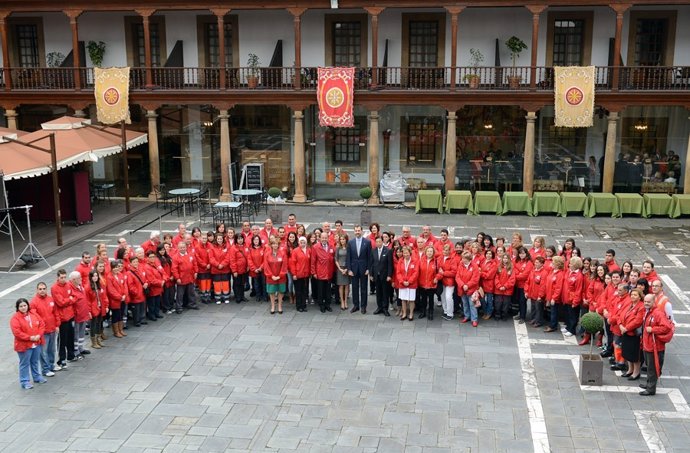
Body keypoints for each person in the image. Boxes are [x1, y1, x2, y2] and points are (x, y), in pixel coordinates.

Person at [640, 293, 675, 396]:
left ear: (653, 302)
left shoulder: (658, 313)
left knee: (652, 368)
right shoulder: (647, 312)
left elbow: (667, 327)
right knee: (649, 365)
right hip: (647, 344)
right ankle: (649, 384)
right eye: (645, 301)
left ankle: (651, 389)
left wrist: (653, 329)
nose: (646, 303)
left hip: (655, 346)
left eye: (648, 302)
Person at [10, 298, 47, 389]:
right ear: (17, 308)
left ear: (28, 306)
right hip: (24, 345)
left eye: (25, 305)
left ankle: (36, 377)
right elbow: (17, 332)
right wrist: (30, 337)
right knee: (24, 363)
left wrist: (39, 334)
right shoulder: (15, 318)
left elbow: (42, 324)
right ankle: (24, 381)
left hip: (36, 342)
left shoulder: (33, 314)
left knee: (34, 361)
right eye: (21, 306)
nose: (23, 308)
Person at [30, 282, 60, 376]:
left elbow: (55, 313)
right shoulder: (34, 302)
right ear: (37, 290)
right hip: (43, 332)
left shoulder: (50, 299)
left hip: (52, 329)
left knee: (52, 349)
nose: (42, 290)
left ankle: (51, 365)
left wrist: (57, 325)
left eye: (44, 288)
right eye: (40, 289)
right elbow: (34, 318)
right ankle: (45, 369)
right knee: (43, 351)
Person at [619, 288, 645, 380]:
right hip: (625, 332)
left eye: (635, 295)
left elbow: (637, 321)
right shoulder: (629, 304)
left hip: (634, 334)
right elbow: (620, 314)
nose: (633, 296)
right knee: (627, 353)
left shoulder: (641, 306)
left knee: (635, 354)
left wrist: (626, 328)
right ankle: (630, 370)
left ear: (639, 296)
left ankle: (636, 372)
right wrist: (620, 325)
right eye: (632, 294)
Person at [51, 269, 75, 367]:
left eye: (65, 277)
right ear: (58, 277)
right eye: (61, 277)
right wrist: (69, 300)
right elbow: (60, 303)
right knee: (62, 340)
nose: (63, 279)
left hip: (70, 315)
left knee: (71, 337)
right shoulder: (54, 288)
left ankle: (71, 355)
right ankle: (62, 359)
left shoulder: (69, 285)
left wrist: (68, 300)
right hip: (62, 318)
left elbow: (74, 297)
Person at [347, 225, 371, 314]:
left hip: (364, 269)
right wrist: (349, 269)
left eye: (359, 230)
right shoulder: (350, 242)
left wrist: (368, 268)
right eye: (356, 230)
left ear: (361, 231)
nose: (357, 232)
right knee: (354, 288)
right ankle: (356, 305)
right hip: (353, 269)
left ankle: (363, 306)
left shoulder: (367, 242)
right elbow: (348, 257)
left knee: (364, 288)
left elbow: (369, 257)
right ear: (354, 232)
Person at [311, 232, 335, 313]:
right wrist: (313, 272)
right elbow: (313, 260)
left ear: (328, 238)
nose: (324, 239)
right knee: (320, 290)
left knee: (328, 290)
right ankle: (321, 305)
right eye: (323, 238)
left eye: (325, 238)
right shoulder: (315, 247)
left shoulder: (331, 246)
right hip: (320, 272)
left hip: (329, 272)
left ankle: (327, 305)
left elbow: (333, 258)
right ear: (320, 238)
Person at [172, 242, 199, 313]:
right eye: (181, 247)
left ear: (186, 247)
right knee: (180, 294)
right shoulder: (175, 257)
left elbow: (195, 264)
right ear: (178, 248)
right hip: (181, 278)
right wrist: (177, 278)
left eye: (183, 247)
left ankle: (192, 304)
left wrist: (196, 272)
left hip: (190, 277)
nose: (182, 249)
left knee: (191, 292)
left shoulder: (190, 254)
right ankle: (179, 307)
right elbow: (174, 269)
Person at [456, 251, 481, 327]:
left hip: (471, 289)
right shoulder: (461, 265)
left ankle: (474, 319)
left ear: (469, 259)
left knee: (472, 304)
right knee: (465, 304)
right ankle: (467, 316)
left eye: (464, 258)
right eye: (462, 258)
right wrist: (462, 285)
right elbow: (457, 276)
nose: (463, 260)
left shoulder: (474, 266)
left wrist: (467, 285)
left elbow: (475, 279)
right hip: (462, 288)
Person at [264, 239, 288, 314]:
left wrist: (280, 275)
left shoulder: (283, 253)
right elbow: (266, 266)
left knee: (281, 291)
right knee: (272, 292)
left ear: (278, 245)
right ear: (271, 245)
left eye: (276, 244)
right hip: (271, 277)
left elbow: (284, 265)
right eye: (273, 244)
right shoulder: (267, 254)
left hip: (281, 277)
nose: (275, 245)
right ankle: (273, 306)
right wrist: (271, 276)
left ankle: (280, 305)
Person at [396, 246, 418, 321]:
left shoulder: (415, 261)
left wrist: (409, 281)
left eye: (407, 253)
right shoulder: (400, 261)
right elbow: (398, 273)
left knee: (411, 300)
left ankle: (411, 313)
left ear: (410, 253)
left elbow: (416, 273)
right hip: (402, 284)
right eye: (404, 253)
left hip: (411, 284)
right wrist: (402, 281)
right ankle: (404, 313)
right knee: (403, 299)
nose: (405, 254)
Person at [85, 269, 106, 350]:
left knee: (98, 324)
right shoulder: (88, 287)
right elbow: (87, 301)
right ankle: (93, 342)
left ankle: (98, 340)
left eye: (96, 275)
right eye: (93, 276)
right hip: (93, 309)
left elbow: (102, 296)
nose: (95, 277)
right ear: (90, 277)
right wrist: (89, 311)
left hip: (99, 307)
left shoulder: (98, 284)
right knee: (93, 325)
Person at [106, 260, 127, 338]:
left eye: (117, 267)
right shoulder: (109, 277)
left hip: (122, 299)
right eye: (114, 267)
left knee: (121, 314)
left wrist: (124, 295)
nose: (116, 269)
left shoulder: (120, 275)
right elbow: (111, 290)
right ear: (111, 268)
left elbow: (125, 286)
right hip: (115, 301)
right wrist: (120, 297)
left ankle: (121, 330)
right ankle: (116, 331)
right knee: (115, 316)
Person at [290, 236, 311, 313]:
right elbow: (293, 263)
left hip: (306, 274)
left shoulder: (309, 250)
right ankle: (298, 306)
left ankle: (304, 305)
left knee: (304, 290)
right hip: (298, 274)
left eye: (304, 242)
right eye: (301, 242)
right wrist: (294, 274)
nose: (302, 244)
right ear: (299, 242)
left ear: (306, 243)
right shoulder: (295, 251)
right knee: (298, 291)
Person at [544, 256, 565, 332]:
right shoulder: (552, 271)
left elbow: (558, 288)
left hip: (554, 297)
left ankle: (553, 326)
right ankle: (552, 324)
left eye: (553, 262)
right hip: (550, 295)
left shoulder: (559, 274)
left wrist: (554, 298)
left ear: (557, 264)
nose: (551, 263)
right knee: (552, 311)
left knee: (554, 312)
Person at [418, 246, 439, 320]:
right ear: (425, 252)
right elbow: (418, 271)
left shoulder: (436, 261)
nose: (429, 253)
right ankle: (423, 312)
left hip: (431, 284)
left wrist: (437, 278)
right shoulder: (421, 261)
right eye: (428, 251)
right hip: (422, 283)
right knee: (423, 299)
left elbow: (440, 272)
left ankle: (430, 312)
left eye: (431, 251)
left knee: (431, 300)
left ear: (433, 253)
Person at [209, 233, 231, 304]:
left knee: (225, 283)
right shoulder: (212, 247)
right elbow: (211, 258)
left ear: (223, 239)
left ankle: (226, 297)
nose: (219, 240)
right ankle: (218, 298)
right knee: (217, 284)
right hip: (216, 269)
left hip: (225, 269)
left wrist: (223, 264)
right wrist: (218, 265)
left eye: (221, 239)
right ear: (216, 239)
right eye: (218, 239)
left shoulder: (226, 247)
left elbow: (228, 257)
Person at [126, 256, 148, 327]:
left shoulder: (139, 270)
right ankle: (137, 321)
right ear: (131, 263)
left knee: (141, 307)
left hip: (141, 293)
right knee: (136, 309)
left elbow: (144, 278)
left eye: (136, 262)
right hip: (137, 294)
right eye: (134, 262)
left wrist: (146, 283)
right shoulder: (129, 273)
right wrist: (136, 293)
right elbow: (131, 285)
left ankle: (141, 319)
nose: (136, 263)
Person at [249, 235, 268, 302]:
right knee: (256, 284)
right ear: (252, 241)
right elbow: (249, 260)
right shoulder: (250, 249)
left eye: (257, 239)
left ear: (259, 240)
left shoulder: (263, 248)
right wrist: (254, 269)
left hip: (262, 270)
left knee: (264, 283)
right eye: (254, 240)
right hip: (255, 270)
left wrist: (261, 268)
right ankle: (258, 296)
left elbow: (265, 259)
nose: (256, 241)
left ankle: (265, 296)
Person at [334, 234, 351, 311]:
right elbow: (336, 259)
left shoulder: (349, 248)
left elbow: (350, 259)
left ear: (346, 240)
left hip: (347, 268)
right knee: (341, 286)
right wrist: (340, 269)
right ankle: (342, 301)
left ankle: (346, 301)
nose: (342, 241)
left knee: (346, 285)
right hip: (340, 268)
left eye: (343, 239)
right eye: (341, 239)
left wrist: (347, 269)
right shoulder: (338, 248)